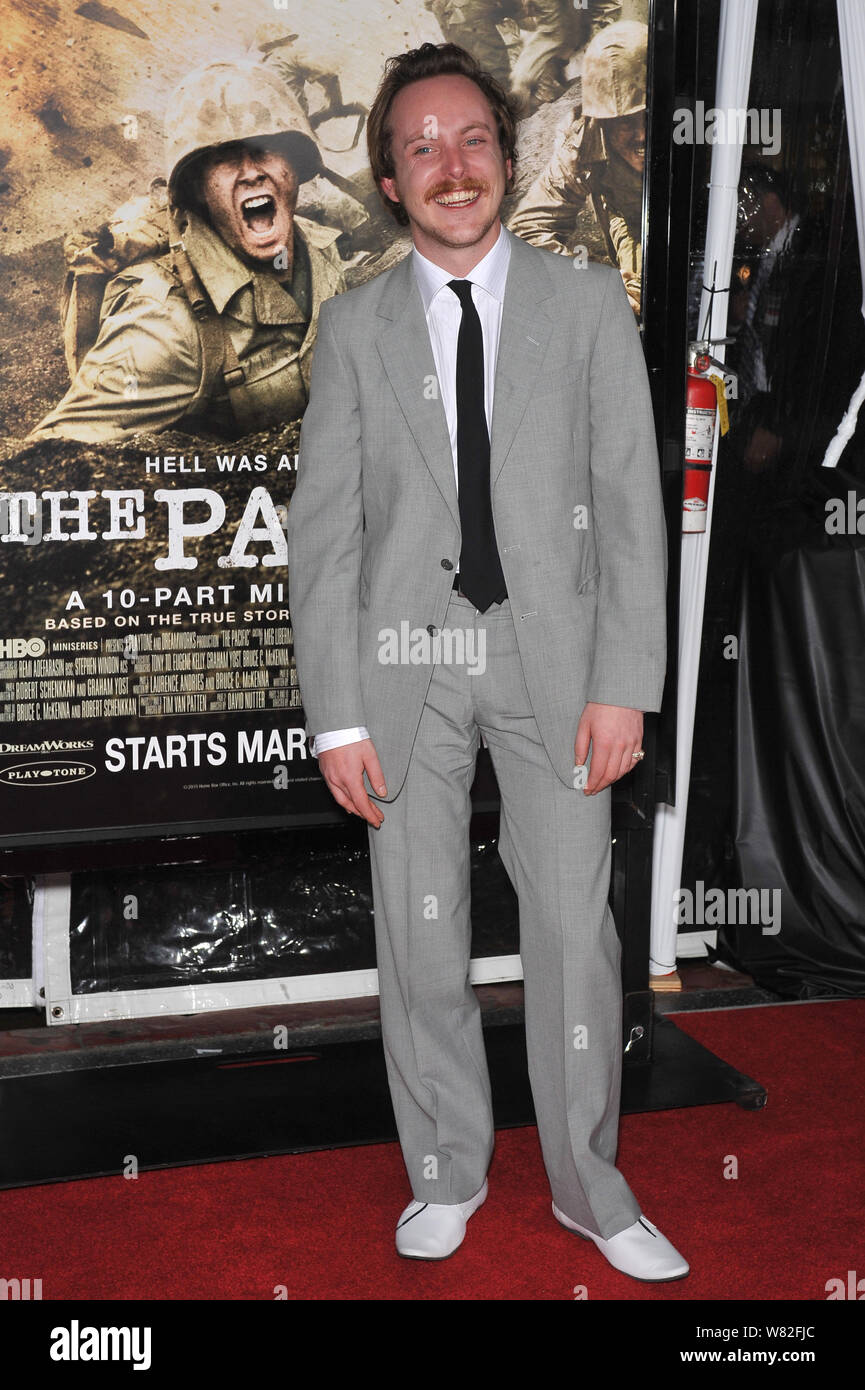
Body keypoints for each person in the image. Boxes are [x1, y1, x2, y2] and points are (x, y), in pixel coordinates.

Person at [286, 42, 685, 1282]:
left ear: (506, 158)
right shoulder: (352, 329)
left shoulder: (585, 306)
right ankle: (445, 1172)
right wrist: (335, 713)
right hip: (402, 659)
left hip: (553, 659)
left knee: (576, 927)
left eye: (471, 139)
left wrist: (624, 679)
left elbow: (628, 506)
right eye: (420, 148)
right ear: (393, 183)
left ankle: (589, 1188)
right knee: (422, 933)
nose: (450, 166)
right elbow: (326, 533)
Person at [29, 61, 345, 443]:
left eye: (266, 149)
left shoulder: (321, 251)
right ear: (197, 189)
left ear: (294, 165)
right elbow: (50, 454)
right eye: (225, 158)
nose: (250, 172)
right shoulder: (164, 325)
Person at [508, 20, 647, 313]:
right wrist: (590, 283)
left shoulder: (696, 123)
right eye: (624, 121)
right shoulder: (583, 143)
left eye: (648, 114)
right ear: (603, 122)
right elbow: (524, 232)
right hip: (637, 222)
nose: (642, 135)